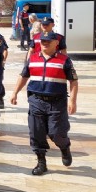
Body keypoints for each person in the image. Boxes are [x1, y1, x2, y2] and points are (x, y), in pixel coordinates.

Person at [10, 31, 78, 176]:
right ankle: (41, 162)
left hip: (57, 102)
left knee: (57, 133)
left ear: (56, 43)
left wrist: (72, 100)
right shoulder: (33, 58)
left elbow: (73, 81)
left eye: (48, 41)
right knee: (36, 132)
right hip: (36, 101)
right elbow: (24, 76)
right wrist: (15, 92)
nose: (45, 43)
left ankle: (64, 147)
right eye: (43, 41)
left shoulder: (65, 60)